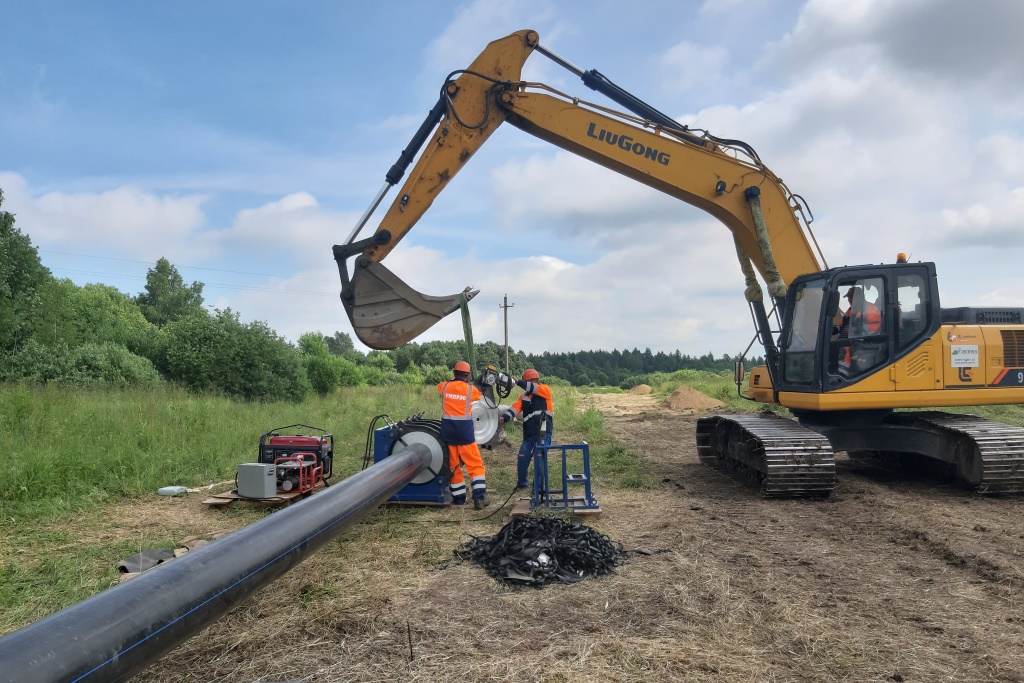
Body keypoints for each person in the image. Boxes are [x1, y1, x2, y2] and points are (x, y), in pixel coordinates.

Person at [437, 361, 489, 509]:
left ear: (454, 373)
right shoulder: (470, 390)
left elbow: (440, 388)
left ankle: (459, 499)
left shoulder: (445, 386)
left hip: (448, 434)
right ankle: (479, 499)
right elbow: (479, 395)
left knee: (453, 467)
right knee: (475, 465)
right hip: (465, 435)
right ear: (467, 375)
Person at [500, 368, 554, 489]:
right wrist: (504, 417)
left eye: (530, 382)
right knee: (523, 457)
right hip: (529, 432)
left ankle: (539, 488)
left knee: (540, 457)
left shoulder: (544, 389)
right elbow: (515, 408)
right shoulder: (524, 397)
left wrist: (518, 382)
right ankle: (522, 484)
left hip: (543, 431)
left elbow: (532, 388)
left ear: (534, 381)